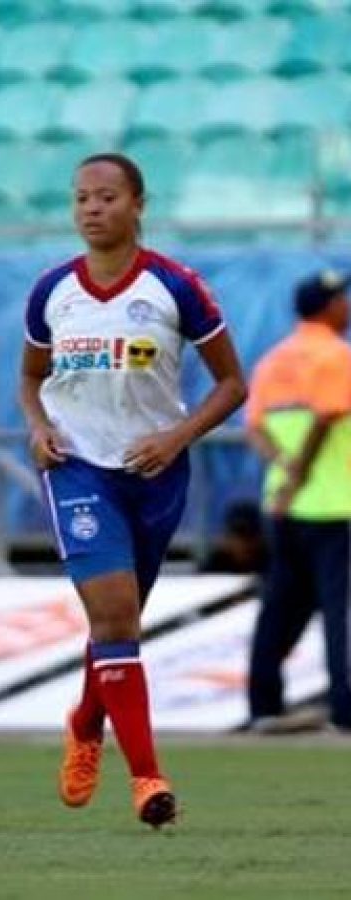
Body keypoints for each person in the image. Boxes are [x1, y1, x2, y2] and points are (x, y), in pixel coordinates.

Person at [18, 153, 246, 828]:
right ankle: (148, 779)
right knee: (115, 616)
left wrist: (177, 437)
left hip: (155, 472)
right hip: (79, 469)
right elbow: (31, 379)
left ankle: (87, 721)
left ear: (138, 204)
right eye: (82, 198)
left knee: (120, 626)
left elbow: (233, 384)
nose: (92, 208)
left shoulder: (176, 287)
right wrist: (37, 429)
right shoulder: (52, 291)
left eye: (107, 196)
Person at [246, 270, 351, 735]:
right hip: (333, 504)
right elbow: (327, 418)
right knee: (340, 611)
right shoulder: (336, 356)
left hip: (282, 508)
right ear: (328, 307)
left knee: (281, 606)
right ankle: (345, 711)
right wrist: (302, 473)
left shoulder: (273, 360)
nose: (346, 307)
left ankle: (264, 704)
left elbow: (255, 428)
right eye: (342, 300)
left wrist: (284, 472)